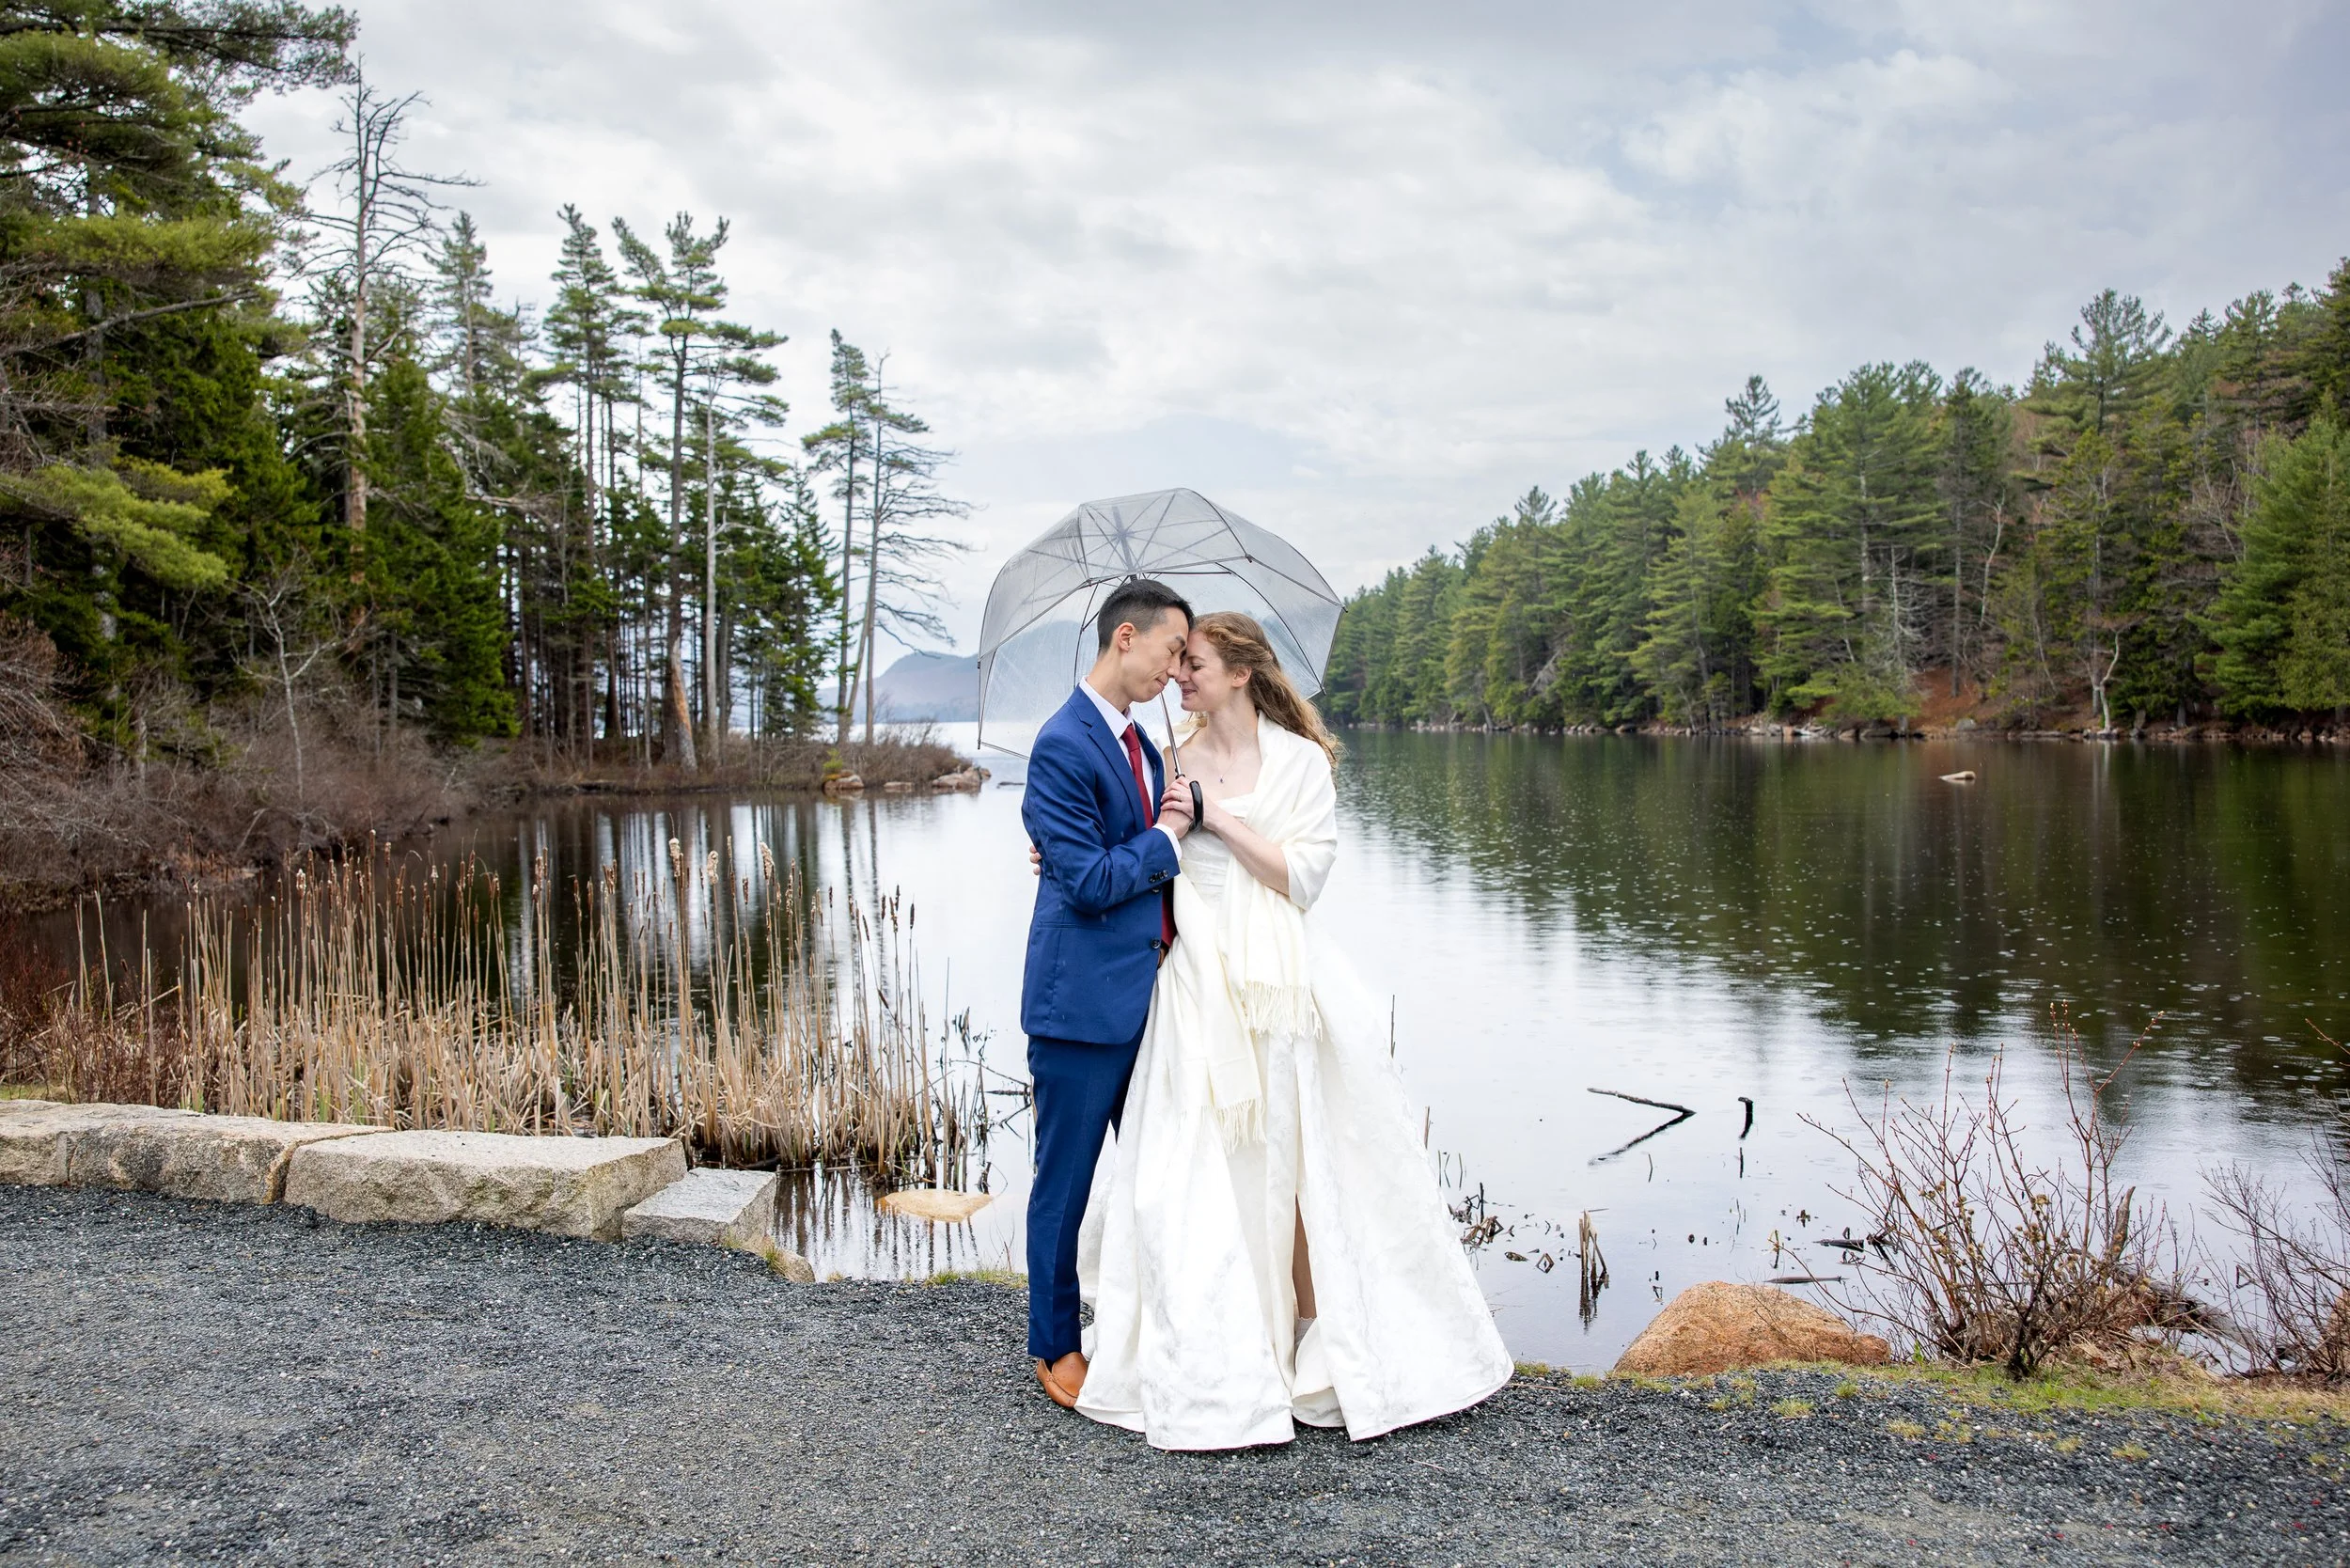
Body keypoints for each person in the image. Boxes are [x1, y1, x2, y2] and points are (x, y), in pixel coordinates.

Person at [1068, 610, 1513, 1450]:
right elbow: (1133, 856)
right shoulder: (1165, 755)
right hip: (1195, 979)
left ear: (1241, 673)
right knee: (1196, 1164)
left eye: (1195, 663)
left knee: (1290, 1154)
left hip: (1281, 983)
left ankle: (1308, 1335)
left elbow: (1301, 878)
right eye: (1177, 660)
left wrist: (1218, 817)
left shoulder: (1301, 762)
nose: (1179, 676)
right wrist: (1063, 856)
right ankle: (1221, 1351)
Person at [1018, 577, 1198, 1411]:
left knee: (1160, 1177)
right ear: (1127, 637)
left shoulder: (1144, 746)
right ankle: (1055, 1344)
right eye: (1171, 650)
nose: (1176, 669)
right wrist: (1166, 835)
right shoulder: (1063, 742)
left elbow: (1108, 854)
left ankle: (1156, 1329)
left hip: (1149, 997)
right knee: (1067, 1184)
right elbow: (1091, 881)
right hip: (1082, 1007)